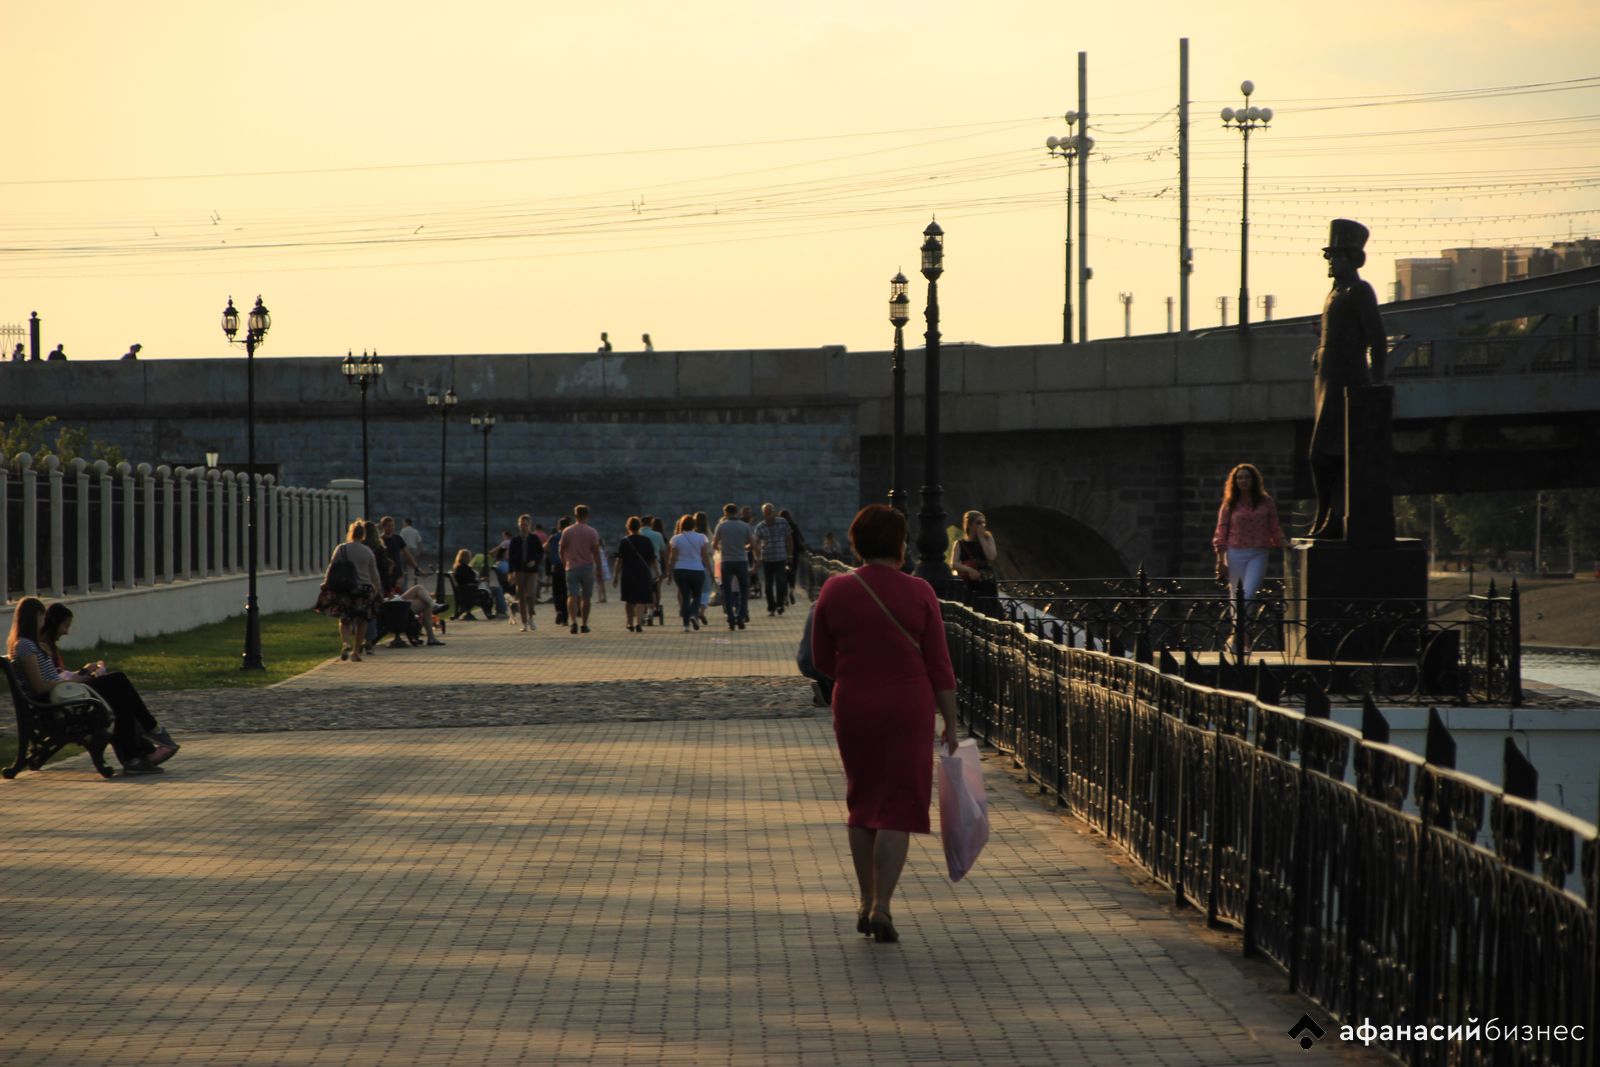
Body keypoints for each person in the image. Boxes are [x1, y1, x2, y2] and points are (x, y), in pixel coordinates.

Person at [811, 504, 959, 945]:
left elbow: (820, 659)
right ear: (900, 544)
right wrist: (950, 724)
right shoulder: (919, 591)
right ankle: (883, 907)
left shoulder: (835, 590)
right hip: (908, 707)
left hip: (854, 703)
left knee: (863, 802)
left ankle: (864, 899)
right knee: (900, 802)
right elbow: (940, 665)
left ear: (856, 542)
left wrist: (857, 677)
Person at [31, 600, 180, 772]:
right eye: (65, 626)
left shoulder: (40, 648)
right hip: (63, 700)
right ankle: (149, 735)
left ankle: (140, 753)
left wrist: (82, 672)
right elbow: (50, 683)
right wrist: (78, 677)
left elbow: (57, 675)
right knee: (118, 683)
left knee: (119, 695)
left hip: (69, 691)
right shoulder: (35, 648)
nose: (66, 632)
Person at [1309, 218, 1387, 539]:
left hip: (1347, 381)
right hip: (1327, 381)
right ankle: (1324, 513)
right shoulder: (1335, 293)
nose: (1331, 262)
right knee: (1319, 453)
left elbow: (1377, 337)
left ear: (1352, 259)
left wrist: (1376, 381)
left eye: (1337, 257)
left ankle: (1334, 517)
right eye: (1329, 257)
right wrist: (1320, 352)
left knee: (1333, 452)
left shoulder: (1360, 291)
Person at [1212, 463, 1285, 654]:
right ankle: (1241, 641)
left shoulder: (1265, 501)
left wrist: (1284, 543)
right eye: (1240, 478)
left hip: (1258, 553)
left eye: (1247, 477)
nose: (1243, 481)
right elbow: (1221, 531)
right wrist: (1220, 559)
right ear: (1235, 482)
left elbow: (1274, 526)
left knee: (1248, 595)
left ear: (1254, 480)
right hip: (1235, 553)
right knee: (1237, 599)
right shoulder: (1230, 504)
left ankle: (1237, 637)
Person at [315, 521, 384, 661]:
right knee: (362, 621)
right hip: (364, 590)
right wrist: (378, 591)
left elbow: (332, 567)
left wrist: (326, 583)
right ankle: (356, 652)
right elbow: (374, 574)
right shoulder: (367, 551)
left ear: (350, 533)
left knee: (344, 619)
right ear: (363, 535)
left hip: (345, 589)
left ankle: (346, 642)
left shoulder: (341, 549)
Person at [560, 504, 603, 634]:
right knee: (586, 598)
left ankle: (573, 622)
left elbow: (561, 550)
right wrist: (599, 568)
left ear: (575, 515)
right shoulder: (592, 531)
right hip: (587, 567)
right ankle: (584, 624)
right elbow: (596, 552)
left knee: (572, 595)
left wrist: (564, 564)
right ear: (587, 516)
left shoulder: (567, 531)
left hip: (571, 567)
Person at [665, 514, 713, 631]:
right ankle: (693, 614)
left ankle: (686, 625)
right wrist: (709, 570)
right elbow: (705, 556)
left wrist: (669, 572)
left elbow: (673, 557)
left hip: (680, 570)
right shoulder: (702, 537)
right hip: (697, 569)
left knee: (685, 597)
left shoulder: (676, 539)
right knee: (697, 596)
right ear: (694, 525)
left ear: (681, 525)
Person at [613, 516, 661, 632]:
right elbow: (652, 559)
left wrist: (615, 576)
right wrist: (658, 572)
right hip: (643, 573)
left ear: (628, 527)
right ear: (639, 527)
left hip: (628, 573)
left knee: (629, 600)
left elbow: (619, 560)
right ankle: (638, 623)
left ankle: (629, 623)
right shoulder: (646, 541)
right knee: (641, 600)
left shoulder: (624, 541)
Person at [712, 503, 753, 630]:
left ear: (725, 513)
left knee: (727, 590)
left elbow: (714, 543)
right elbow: (751, 544)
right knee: (743, 590)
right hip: (741, 560)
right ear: (737, 513)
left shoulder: (722, 526)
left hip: (727, 561)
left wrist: (721, 549)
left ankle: (730, 618)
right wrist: (743, 547)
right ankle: (740, 617)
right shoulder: (745, 526)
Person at [949, 510, 999, 608]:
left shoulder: (988, 538)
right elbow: (953, 564)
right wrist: (969, 570)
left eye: (984, 523)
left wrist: (981, 537)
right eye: (978, 523)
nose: (982, 525)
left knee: (990, 609)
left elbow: (991, 556)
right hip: (970, 583)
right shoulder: (960, 544)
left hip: (987, 582)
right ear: (969, 525)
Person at [753, 503, 795, 617]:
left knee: (781, 582)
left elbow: (789, 538)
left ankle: (780, 604)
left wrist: (790, 554)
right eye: (766, 512)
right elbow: (755, 542)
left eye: (770, 512)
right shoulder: (760, 526)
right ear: (763, 513)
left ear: (774, 512)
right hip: (767, 559)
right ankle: (771, 607)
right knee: (768, 585)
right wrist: (757, 557)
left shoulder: (782, 522)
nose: (768, 514)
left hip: (781, 557)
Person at [507, 514, 544, 633]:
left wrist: (535, 561)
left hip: (531, 570)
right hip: (519, 569)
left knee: (531, 594)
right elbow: (511, 557)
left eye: (526, 524)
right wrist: (511, 572)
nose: (524, 527)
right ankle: (524, 622)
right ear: (519, 525)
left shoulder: (534, 538)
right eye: (522, 524)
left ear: (530, 525)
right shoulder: (515, 540)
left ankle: (531, 617)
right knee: (521, 596)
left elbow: (540, 552)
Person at [639, 516, 668, 626]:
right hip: (655, 565)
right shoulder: (658, 535)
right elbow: (663, 552)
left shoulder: (637, 534)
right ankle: (655, 607)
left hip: (639, 566)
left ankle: (644, 610)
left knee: (642, 589)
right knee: (655, 589)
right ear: (651, 523)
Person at [451, 548, 489, 620]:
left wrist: (478, 581)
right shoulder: (463, 568)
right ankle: (489, 613)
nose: (470, 558)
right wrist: (479, 581)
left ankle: (464, 611)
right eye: (469, 556)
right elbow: (468, 580)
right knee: (485, 593)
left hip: (464, 590)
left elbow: (467, 580)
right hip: (467, 591)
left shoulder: (459, 567)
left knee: (486, 592)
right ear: (465, 557)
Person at [547, 517, 571, 627]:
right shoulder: (570, 537)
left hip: (556, 567)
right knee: (566, 593)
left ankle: (559, 611)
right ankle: (565, 619)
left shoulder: (553, 537)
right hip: (567, 567)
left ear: (558, 526)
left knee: (556, 592)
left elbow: (544, 548)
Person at [779, 508, 806, 605]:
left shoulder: (780, 526)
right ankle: (791, 591)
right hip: (795, 553)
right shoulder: (794, 525)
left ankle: (785, 595)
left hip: (782, 552)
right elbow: (801, 538)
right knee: (792, 572)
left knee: (783, 574)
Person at [399, 518, 425, 586]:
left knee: (404, 567)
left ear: (406, 523)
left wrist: (400, 550)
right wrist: (419, 550)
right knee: (414, 565)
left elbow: (401, 540)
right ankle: (415, 580)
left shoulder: (403, 530)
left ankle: (405, 583)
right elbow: (419, 541)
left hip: (406, 549)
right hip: (414, 549)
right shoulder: (415, 531)